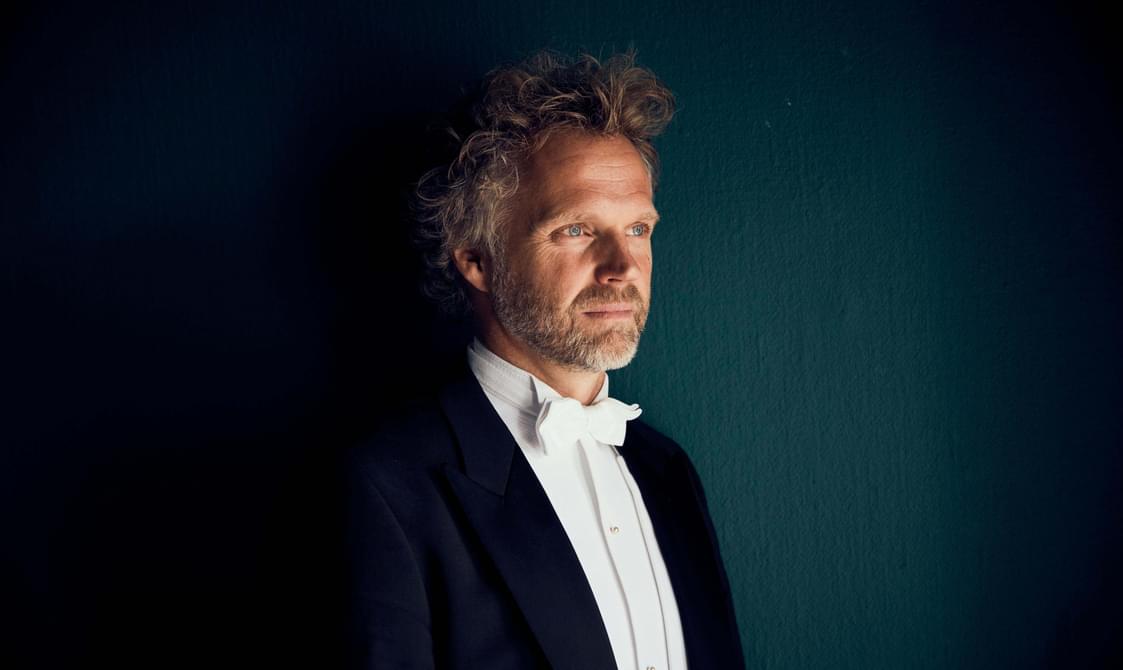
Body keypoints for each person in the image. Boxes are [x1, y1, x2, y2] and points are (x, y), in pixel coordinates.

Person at [346, 50, 744, 670]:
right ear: (477, 259)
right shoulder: (384, 486)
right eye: (576, 230)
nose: (623, 269)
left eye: (638, 228)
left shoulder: (667, 470)